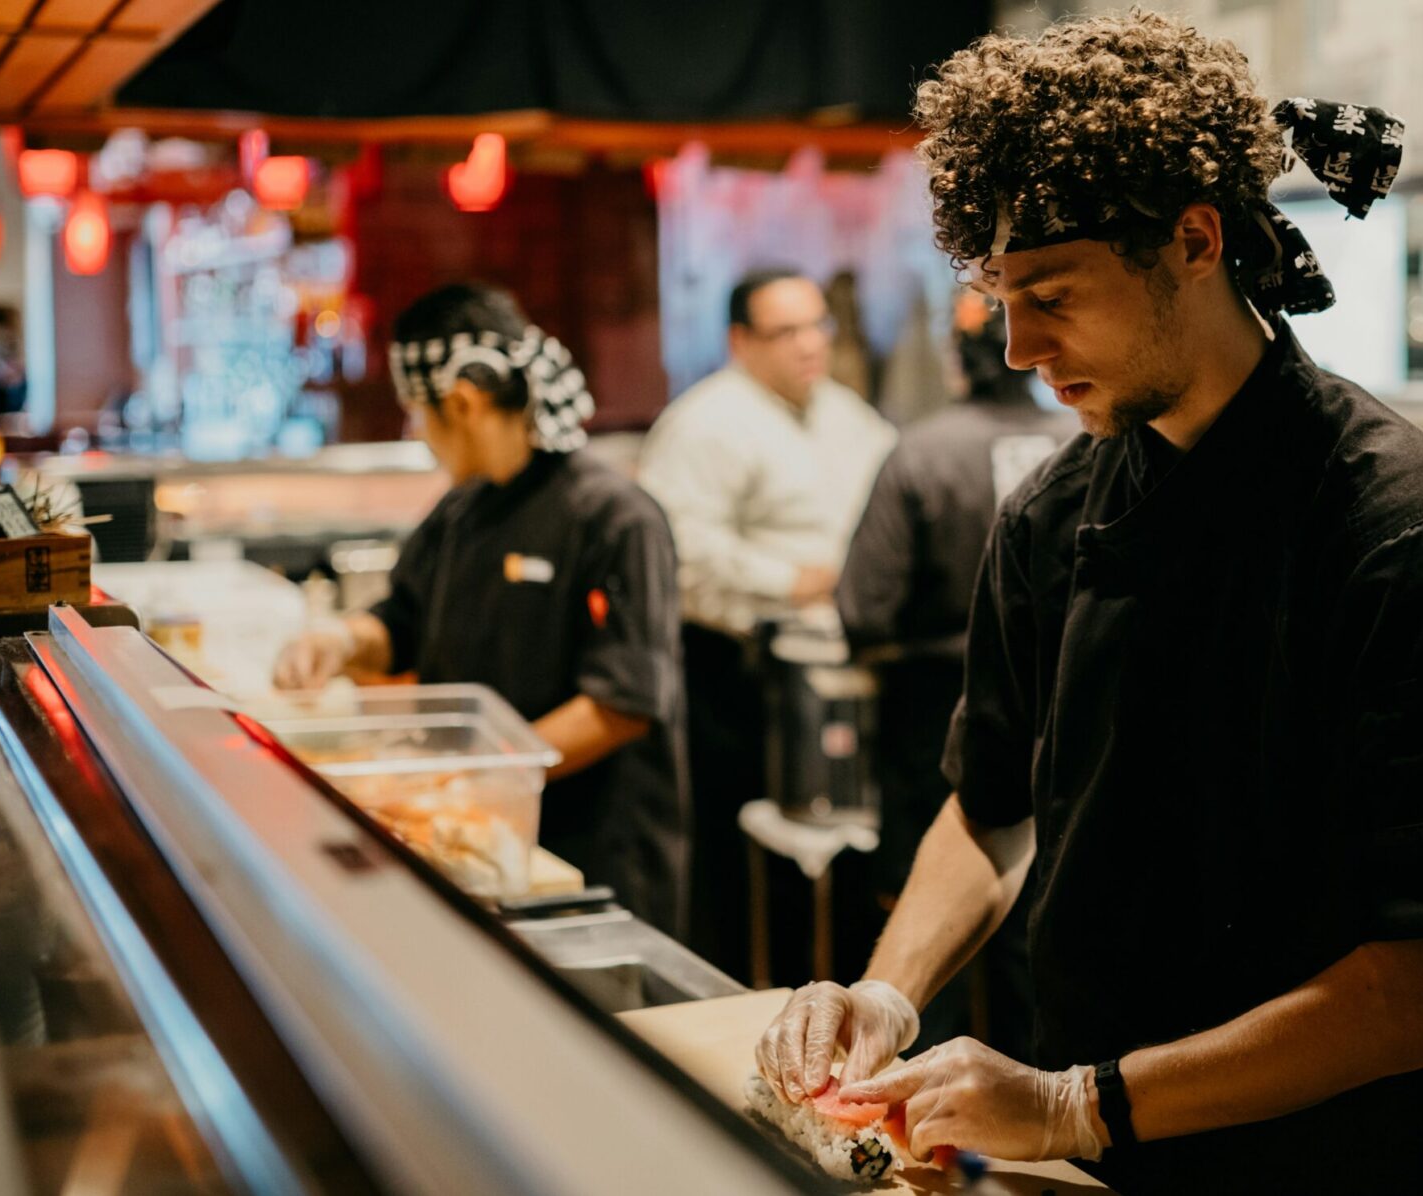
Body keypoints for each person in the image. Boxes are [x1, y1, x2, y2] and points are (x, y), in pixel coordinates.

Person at [753, 14, 1423, 1195]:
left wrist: (1074, 1101)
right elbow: (989, 809)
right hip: (1083, 1171)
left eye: (1051, 293)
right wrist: (886, 991)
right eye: (1000, 296)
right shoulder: (1048, 515)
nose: (1017, 346)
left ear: (1192, 240)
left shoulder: (1403, 536)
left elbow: (1421, 988)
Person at [273, 283, 687, 935]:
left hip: (592, 866)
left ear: (463, 403)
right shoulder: (461, 509)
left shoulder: (615, 518)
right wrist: (343, 641)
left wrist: (476, 775)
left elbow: (621, 706)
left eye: (417, 412)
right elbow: (402, 622)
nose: (417, 433)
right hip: (481, 843)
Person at [835, 289, 1074, 1062]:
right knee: (1039, 941)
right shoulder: (1086, 444)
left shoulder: (924, 451)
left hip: (936, 714)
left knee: (923, 948)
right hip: (1068, 712)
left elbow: (864, 607)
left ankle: (904, 1099)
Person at [637, 268, 896, 975]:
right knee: (744, 869)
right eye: (786, 332)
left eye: (817, 326)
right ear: (741, 341)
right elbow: (678, 552)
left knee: (845, 858)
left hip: (837, 668)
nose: (810, 345)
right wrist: (791, 580)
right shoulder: (704, 423)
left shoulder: (847, 414)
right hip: (736, 673)